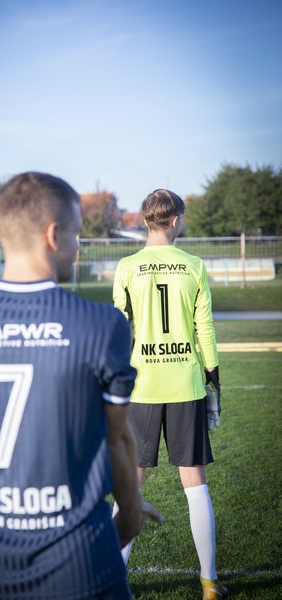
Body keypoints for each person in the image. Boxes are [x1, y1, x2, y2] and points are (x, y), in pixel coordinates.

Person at [0, 171, 163, 600]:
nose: (78, 244)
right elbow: (117, 439)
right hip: (80, 567)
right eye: (76, 233)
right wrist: (128, 514)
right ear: (53, 235)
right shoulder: (101, 325)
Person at [112, 189, 227, 600]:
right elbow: (205, 329)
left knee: (131, 485)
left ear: (146, 220)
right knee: (195, 484)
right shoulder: (194, 265)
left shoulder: (127, 267)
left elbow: (118, 331)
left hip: (141, 386)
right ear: (175, 219)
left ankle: (112, 580)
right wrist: (213, 376)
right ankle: (209, 582)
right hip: (185, 384)